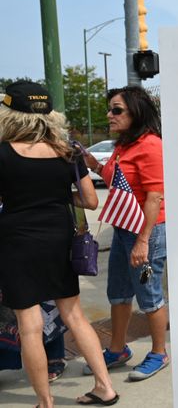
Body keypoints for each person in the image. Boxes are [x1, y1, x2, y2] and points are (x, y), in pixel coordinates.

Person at [0, 81, 119, 407]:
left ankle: (46, 401)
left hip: (16, 243)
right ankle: (105, 387)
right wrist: (54, 195)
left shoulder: (3, 152)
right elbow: (91, 200)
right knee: (74, 315)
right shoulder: (67, 150)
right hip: (59, 239)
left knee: (30, 325)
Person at [81, 86, 168, 381]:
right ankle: (118, 349)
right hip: (123, 228)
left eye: (117, 110)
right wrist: (92, 163)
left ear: (136, 112)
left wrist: (142, 241)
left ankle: (159, 353)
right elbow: (117, 181)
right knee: (118, 293)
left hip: (146, 231)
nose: (109, 115)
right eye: (110, 109)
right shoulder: (125, 145)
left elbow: (155, 197)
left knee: (149, 295)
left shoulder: (151, 145)